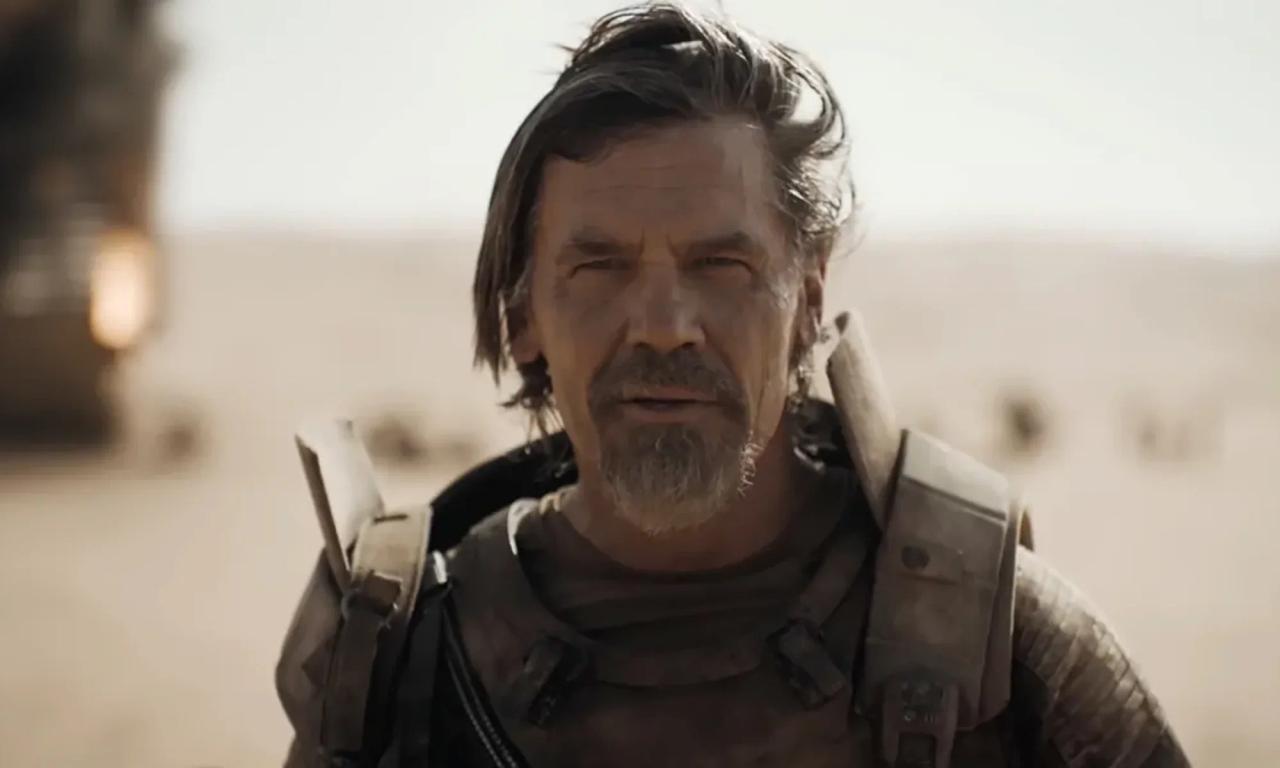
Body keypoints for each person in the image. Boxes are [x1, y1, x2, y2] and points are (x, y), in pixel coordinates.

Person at [277, 4, 1189, 766]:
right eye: (600, 266)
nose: (663, 324)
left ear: (808, 302)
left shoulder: (991, 642)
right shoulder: (404, 660)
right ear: (523, 316)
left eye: (721, 264)